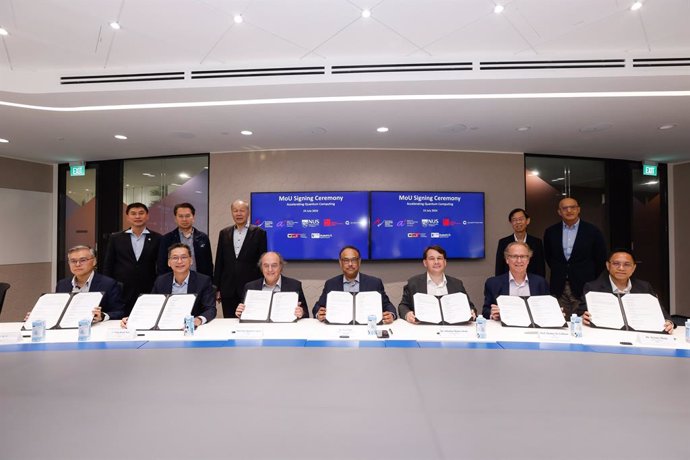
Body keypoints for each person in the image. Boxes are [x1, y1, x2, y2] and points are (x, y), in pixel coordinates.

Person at [578, 249, 674, 333]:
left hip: (639, 334)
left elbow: (661, 313)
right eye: (616, 264)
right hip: (605, 333)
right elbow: (580, 313)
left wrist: (668, 322)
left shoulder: (644, 287)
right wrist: (583, 317)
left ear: (634, 268)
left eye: (627, 264)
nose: (621, 268)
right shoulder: (593, 287)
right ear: (608, 265)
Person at [121, 243, 216, 328]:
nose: (179, 261)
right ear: (169, 263)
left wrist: (198, 320)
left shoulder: (203, 280)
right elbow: (151, 306)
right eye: (175, 258)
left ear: (191, 261)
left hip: (191, 328)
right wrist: (133, 319)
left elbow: (210, 309)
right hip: (165, 327)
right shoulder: (161, 281)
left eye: (184, 257)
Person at [543, 197, 607, 317]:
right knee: (560, 320)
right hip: (559, 285)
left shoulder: (592, 231)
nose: (569, 210)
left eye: (572, 207)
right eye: (565, 208)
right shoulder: (551, 232)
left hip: (584, 284)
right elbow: (549, 257)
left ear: (578, 209)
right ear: (559, 212)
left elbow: (600, 258)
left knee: (583, 322)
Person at [102, 202, 161, 316]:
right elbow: (108, 264)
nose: (137, 216)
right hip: (122, 288)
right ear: (127, 217)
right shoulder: (116, 238)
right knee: (121, 318)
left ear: (147, 216)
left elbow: (161, 265)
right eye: (133, 213)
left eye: (141, 213)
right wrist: (108, 286)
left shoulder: (157, 238)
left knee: (147, 317)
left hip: (148, 287)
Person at [313, 246, 397, 324]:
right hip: (338, 328)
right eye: (346, 260)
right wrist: (318, 314)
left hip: (366, 328)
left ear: (359, 262)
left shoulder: (374, 283)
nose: (350, 264)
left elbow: (388, 306)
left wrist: (391, 315)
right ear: (340, 262)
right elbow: (317, 307)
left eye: (353, 260)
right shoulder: (331, 283)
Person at [214, 199, 267, 318]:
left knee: (251, 320)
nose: (238, 214)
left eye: (242, 211)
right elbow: (219, 261)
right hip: (228, 288)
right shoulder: (224, 233)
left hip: (251, 287)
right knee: (229, 322)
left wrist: (262, 285)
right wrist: (216, 288)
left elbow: (262, 262)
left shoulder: (259, 233)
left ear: (248, 212)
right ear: (231, 213)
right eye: (235, 211)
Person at [398, 245, 477, 323]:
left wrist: (471, 312)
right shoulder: (414, 283)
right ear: (425, 263)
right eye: (432, 259)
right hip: (423, 329)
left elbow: (470, 306)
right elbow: (403, 306)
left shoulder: (457, 284)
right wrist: (407, 314)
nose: (436, 262)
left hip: (452, 329)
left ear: (445, 262)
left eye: (439, 258)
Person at [48, 245, 124, 322]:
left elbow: (119, 312)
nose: (77, 264)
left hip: (96, 328)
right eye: (73, 261)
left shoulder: (108, 284)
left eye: (83, 260)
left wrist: (102, 315)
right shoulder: (62, 285)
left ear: (94, 261)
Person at [483, 241, 550, 320]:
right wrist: (492, 313)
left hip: (533, 329)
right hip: (504, 330)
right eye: (514, 256)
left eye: (523, 256)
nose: (519, 260)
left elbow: (546, 309)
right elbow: (485, 311)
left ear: (528, 260)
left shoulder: (540, 283)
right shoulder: (493, 283)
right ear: (507, 259)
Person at [235, 251, 309, 319]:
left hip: (285, 328)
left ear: (280, 267)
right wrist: (240, 313)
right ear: (261, 268)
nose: (270, 269)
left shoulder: (294, 286)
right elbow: (245, 314)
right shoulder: (250, 287)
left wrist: (301, 312)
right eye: (266, 266)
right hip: (259, 329)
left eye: (274, 265)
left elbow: (306, 314)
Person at [156, 202, 213, 277]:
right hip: (174, 283)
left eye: (187, 216)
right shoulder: (167, 239)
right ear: (175, 218)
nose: (184, 219)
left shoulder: (203, 237)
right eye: (180, 216)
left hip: (199, 283)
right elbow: (161, 265)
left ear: (193, 217)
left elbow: (208, 264)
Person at [495, 208, 545, 277]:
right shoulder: (503, 242)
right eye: (514, 220)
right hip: (509, 283)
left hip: (532, 283)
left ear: (527, 221)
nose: (518, 222)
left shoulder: (536, 242)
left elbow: (540, 267)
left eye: (521, 219)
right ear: (511, 222)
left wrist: (539, 284)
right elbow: (499, 267)